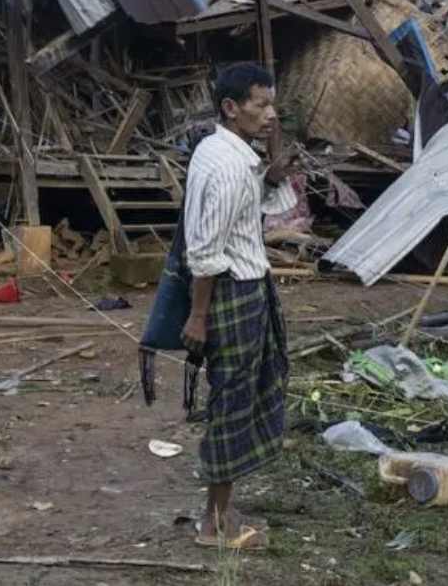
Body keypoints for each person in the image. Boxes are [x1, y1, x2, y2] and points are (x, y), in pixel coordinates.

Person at [180, 62, 299, 550]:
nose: (270, 115)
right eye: (260, 105)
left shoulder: (221, 151)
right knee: (232, 404)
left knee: (236, 398)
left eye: (272, 105)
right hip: (234, 292)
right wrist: (198, 316)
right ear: (231, 108)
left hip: (241, 288)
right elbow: (206, 252)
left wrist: (271, 176)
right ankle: (212, 527)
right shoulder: (229, 167)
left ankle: (218, 512)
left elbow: (245, 214)